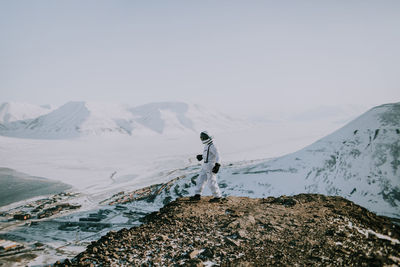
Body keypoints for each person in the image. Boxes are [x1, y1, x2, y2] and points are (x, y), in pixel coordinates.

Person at [190, 131, 222, 202]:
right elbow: (208, 154)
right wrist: (202, 156)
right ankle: (197, 194)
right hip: (205, 165)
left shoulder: (213, 146)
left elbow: (218, 155)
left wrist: (217, 165)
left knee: (211, 181)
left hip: (210, 165)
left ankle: (217, 196)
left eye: (203, 138)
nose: (202, 139)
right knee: (200, 180)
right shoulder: (208, 145)